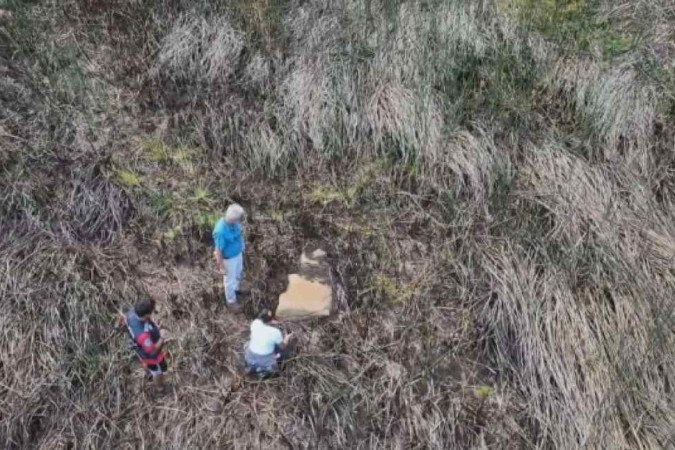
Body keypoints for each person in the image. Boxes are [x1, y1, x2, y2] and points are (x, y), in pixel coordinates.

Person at [119, 299, 167, 383]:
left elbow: (123, 319)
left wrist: (154, 325)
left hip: (140, 348)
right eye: (151, 313)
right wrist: (162, 337)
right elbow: (153, 352)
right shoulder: (143, 336)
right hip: (151, 356)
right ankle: (160, 388)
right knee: (157, 372)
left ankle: (148, 372)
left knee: (147, 363)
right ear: (146, 315)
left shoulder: (132, 313)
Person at [213, 203, 245, 310]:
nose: (240, 223)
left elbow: (240, 235)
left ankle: (236, 290)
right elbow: (218, 251)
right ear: (233, 219)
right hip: (229, 260)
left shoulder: (234, 224)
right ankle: (231, 302)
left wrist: (242, 247)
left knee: (238, 272)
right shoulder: (220, 231)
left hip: (238, 254)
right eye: (239, 220)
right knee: (229, 281)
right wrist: (221, 266)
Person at [244, 309, 294, 377]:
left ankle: (251, 366)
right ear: (272, 320)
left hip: (250, 356)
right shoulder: (275, 332)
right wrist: (287, 337)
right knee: (285, 351)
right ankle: (266, 370)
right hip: (265, 361)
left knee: (248, 343)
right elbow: (283, 346)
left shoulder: (255, 323)